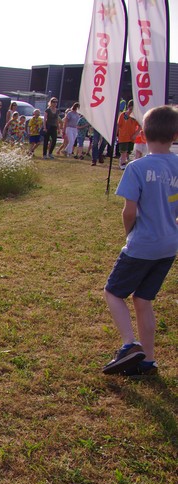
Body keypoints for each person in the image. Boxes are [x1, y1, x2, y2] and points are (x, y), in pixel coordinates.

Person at [101, 104, 178, 377]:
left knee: (113, 292)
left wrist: (129, 233)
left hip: (142, 244)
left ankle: (129, 345)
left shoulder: (136, 167)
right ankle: (148, 361)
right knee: (143, 299)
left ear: (142, 133)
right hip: (169, 246)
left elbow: (129, 211)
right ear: (175, 136)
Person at [116, 100, 139, 168]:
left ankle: (123, 160)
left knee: (128, 151)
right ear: (128, 107)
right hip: (123, 136)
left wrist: (136, 134)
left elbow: (140, 125)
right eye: (130, 109)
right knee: (124, 151)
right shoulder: (123, 115)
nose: (131, 111)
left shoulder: (135, 117)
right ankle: (122, 163)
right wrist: (116, 134)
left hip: (131, 137)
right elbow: (118, 125)